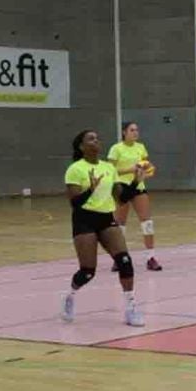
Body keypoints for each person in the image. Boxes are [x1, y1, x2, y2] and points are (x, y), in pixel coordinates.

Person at [62, 129, 143, 327]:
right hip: (84, 220)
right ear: (82, 146)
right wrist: (90, 189)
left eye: (97, 138)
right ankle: (70, 296)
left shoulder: (108, 168)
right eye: (91, 139)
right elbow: (75, 203)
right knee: (88, 271)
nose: (96, 140)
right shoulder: (75, 169)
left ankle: (131, 307)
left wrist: (135, 182)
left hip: (106, 218)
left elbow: (121, 198)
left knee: (124, 261)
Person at [107, 121, 162, 272]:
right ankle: (119, 258)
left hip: (138, 186)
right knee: (120, 224)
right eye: (132, 130)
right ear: (124, 132)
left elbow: (146, 165)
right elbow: (110, 171)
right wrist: (130, 169)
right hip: (121, 188)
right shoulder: (116, 149)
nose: (135, 132)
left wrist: (148, 169)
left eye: (137, 130)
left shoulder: (140, 147)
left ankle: (151, 258)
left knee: (147, 222)